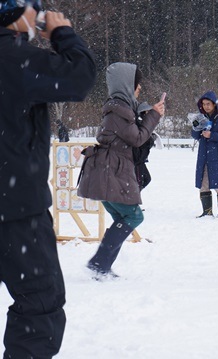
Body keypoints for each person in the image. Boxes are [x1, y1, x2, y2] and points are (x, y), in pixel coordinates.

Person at [0, 1, 97, 357]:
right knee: (40, 304)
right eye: (34, 7)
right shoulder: (14, 59)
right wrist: (61, 33)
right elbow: (81, 75)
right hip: (17, 213)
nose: (39, 14)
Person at [77, 62, 164, 279]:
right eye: (137, 85)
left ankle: (102, 266)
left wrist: (149, 112)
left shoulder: (120, 107)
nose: (140, 89)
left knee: (123, 218)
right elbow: (137, 137)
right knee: (133, 217)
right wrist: (153, 116)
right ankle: (99, 264)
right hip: (110, 173)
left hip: (109, 172)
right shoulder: (118, 110)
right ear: (127, 85)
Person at [191, 90, 218, 218]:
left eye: (208, 104)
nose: (206, 106)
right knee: (203, 184)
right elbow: (195, 136)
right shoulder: (201, 118)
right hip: (203, 155)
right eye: (204, 104)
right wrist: (195, 128)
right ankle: (207, 212)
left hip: (217, 156)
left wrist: (212, 135)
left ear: (214, 104)